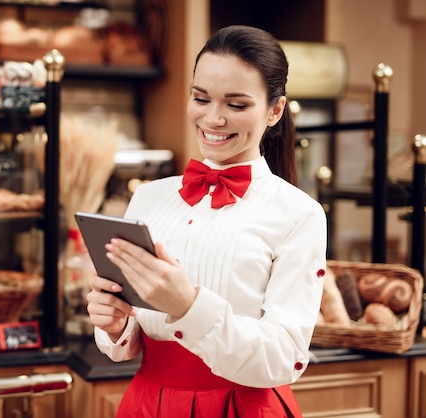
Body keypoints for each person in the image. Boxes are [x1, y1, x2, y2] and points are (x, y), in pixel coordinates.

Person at [86, 24, 327, 418]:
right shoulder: (147, 197)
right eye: (201, 98)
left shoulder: (300, 215)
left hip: (242, 406)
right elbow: (131, 335)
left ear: (274, 110)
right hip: (148, 402)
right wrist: (114, 324)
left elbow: (284, 358)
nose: (213, 118)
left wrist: (188, 305)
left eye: (236, 105)